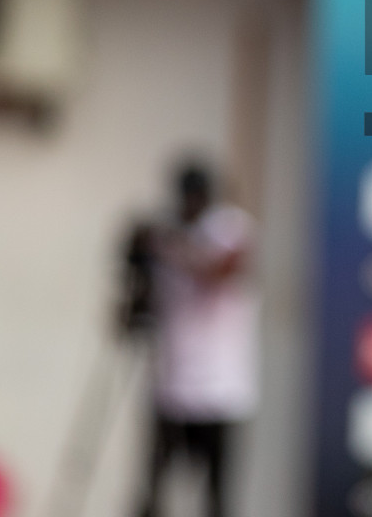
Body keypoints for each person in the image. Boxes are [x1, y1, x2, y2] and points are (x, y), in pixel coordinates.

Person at [134, 162, 258, 517]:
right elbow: (136, 311)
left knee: (216, 498)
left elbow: (218, 271)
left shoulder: (227, 228)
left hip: (220, 391)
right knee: (152, 493)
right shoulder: (165, 238)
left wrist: (167, 246)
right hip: (171, 388)